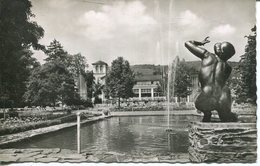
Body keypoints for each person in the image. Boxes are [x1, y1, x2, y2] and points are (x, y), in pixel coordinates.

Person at [185, 37, 237, 122]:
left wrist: (201, 43)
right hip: (222, 98)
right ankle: (224, 115)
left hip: (204, 99)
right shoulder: (228, 67)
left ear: (221, 51)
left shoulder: (207, 55)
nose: (217, 45)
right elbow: (221, 82)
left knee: (202, 104)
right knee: (225, 118)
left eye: (220, 46)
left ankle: (207, 114)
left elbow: (188, 43)